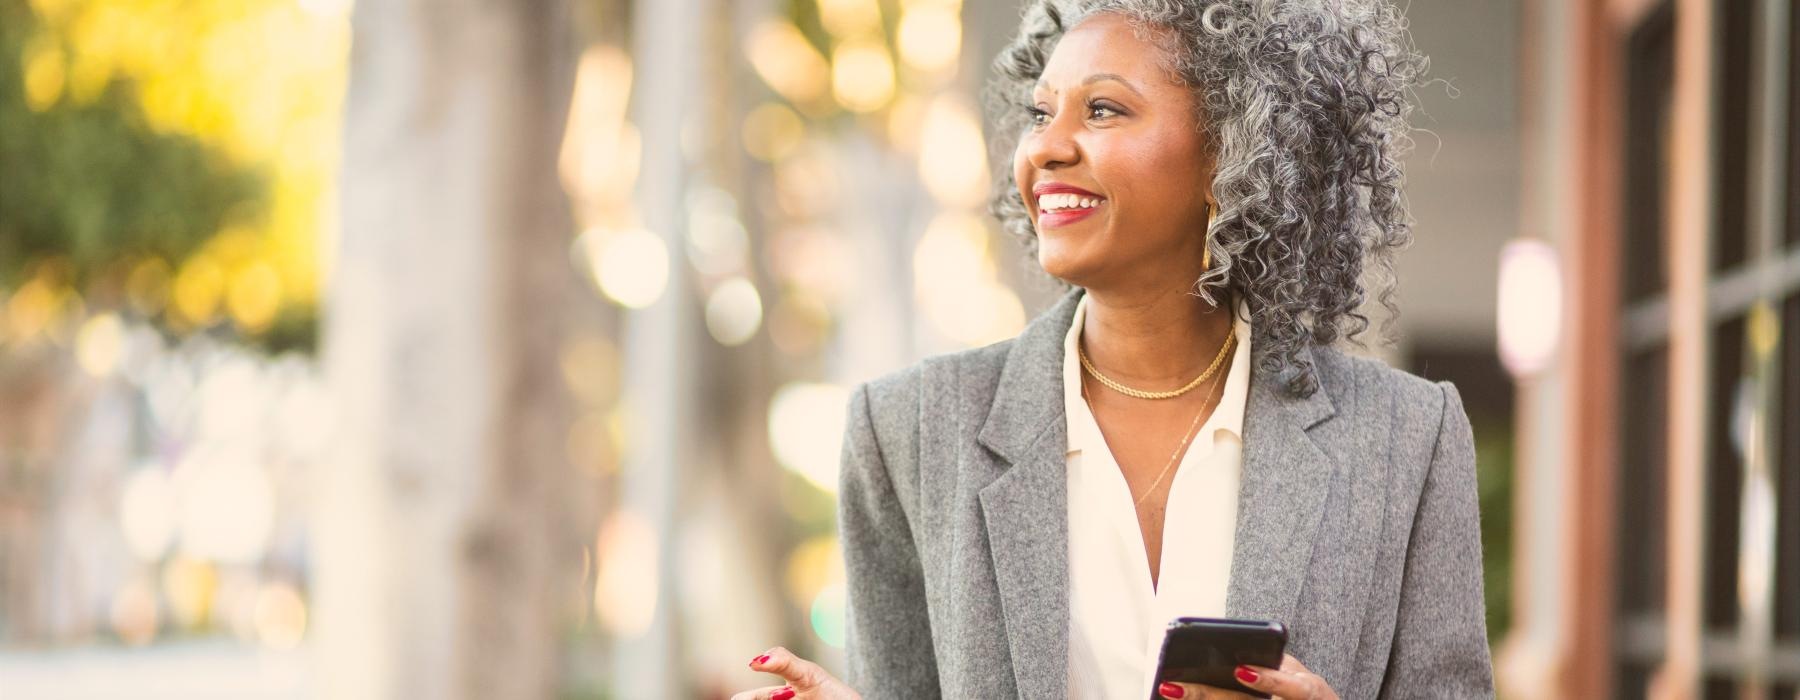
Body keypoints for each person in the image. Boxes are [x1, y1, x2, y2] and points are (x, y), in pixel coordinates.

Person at [733, 1, 1493, 698]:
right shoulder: (909, 429)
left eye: (1102, 109)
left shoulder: (1406, 438)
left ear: (1236, 152)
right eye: (1041, 113)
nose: (1047, 147)